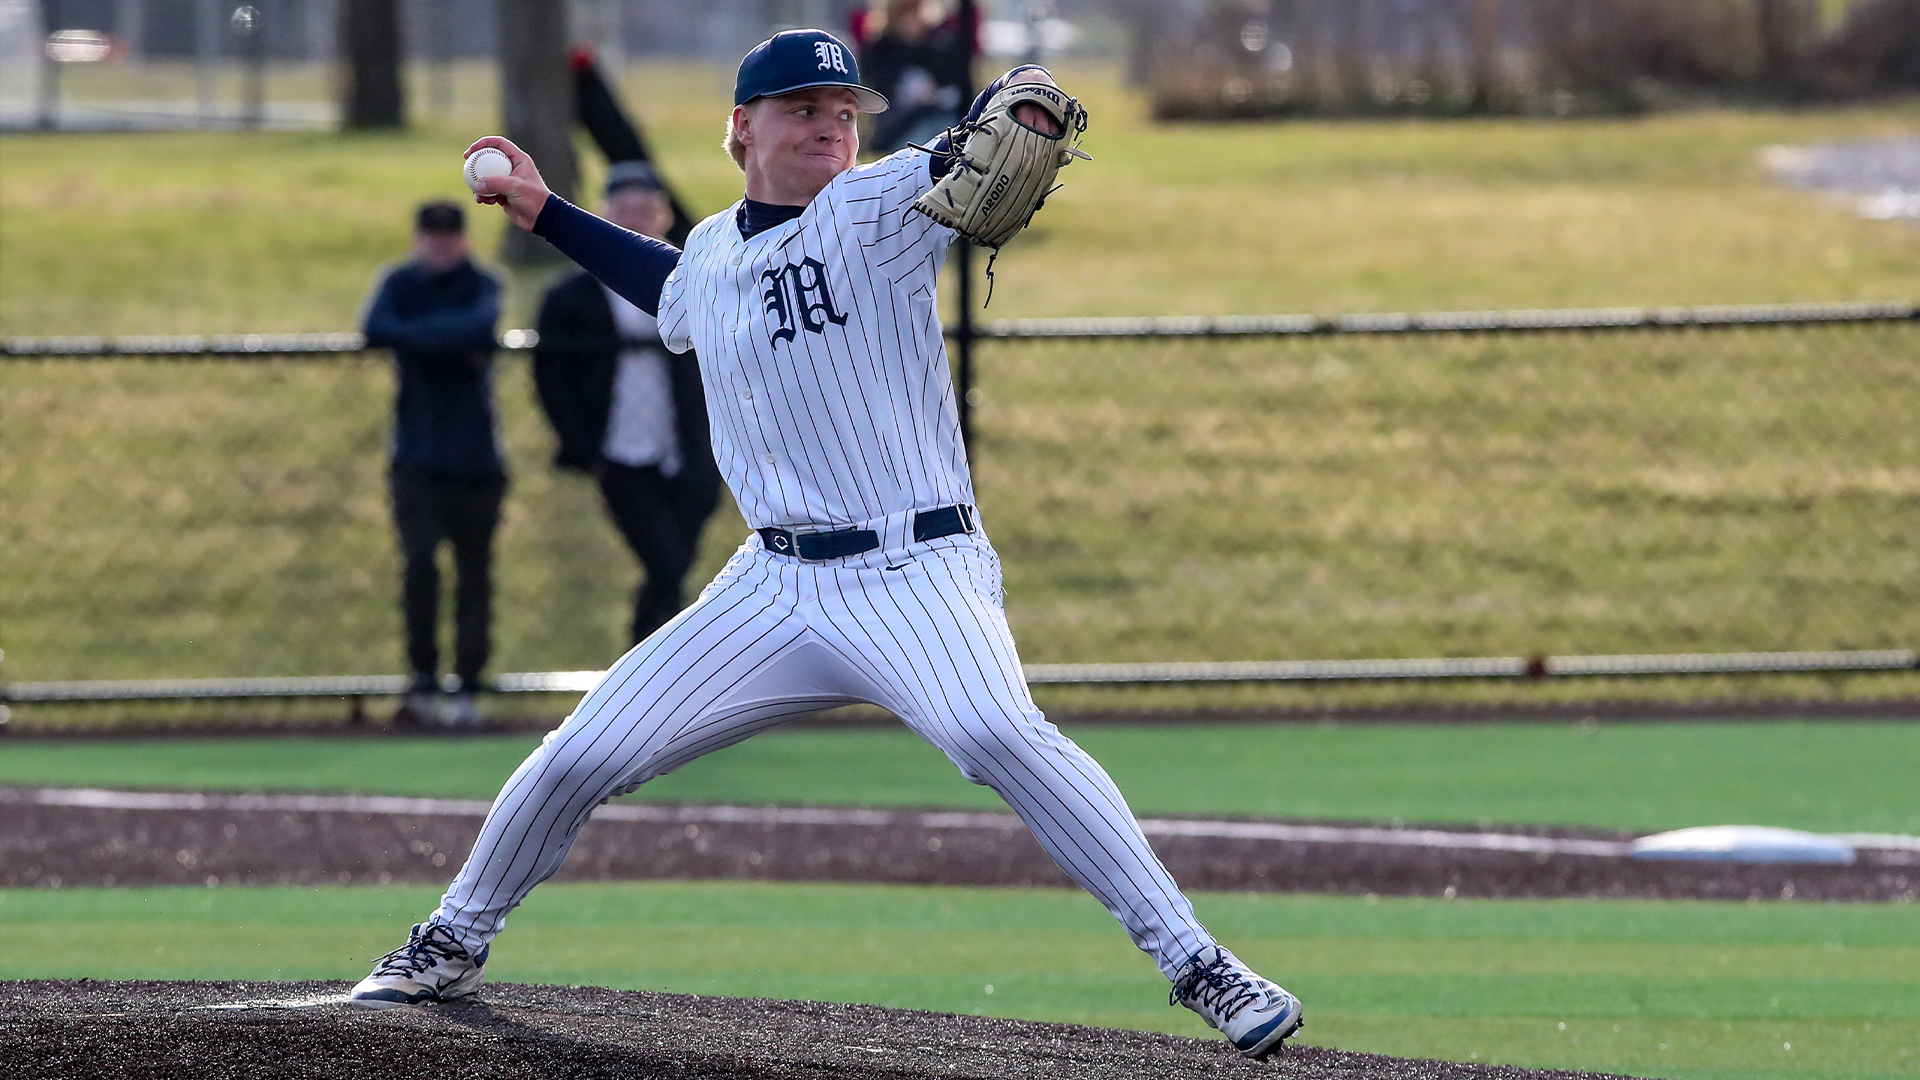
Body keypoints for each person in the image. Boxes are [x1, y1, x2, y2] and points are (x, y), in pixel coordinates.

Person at [349, 30, 1304, 1059]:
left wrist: (1015, 103)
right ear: (741, 127)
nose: (830, 127)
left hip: (915, 568)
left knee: (997, 736)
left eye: (844, 111)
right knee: (580, 752)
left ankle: (1197, 960)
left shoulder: (878, 207)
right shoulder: (712, 251)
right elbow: (668, 289)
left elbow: (957, 153)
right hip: (773, 586)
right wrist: (542, 211)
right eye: (803, 109)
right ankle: (450, 937)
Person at [532, 161, 723, 646]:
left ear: (662, 217)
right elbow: (552, 378)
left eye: (646, 210)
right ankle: (652, 669)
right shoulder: (570, 297)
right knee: (664, 563)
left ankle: (649, 669)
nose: (636, 219)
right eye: (624, 209)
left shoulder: (693, 281)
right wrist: (580, 445)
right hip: (619, 451)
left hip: (690, 449)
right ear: (602, 214)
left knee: (674, 568)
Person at [360, 201, 507, 728]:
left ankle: (466, 685)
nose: (441, 245)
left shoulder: (484, 283)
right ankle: (422, 680)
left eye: (450, 236)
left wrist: (418, 337)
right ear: (418, 238)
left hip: (477, 459)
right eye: (432, 236)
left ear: (462, 239)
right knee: (419, 569)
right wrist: (447, 342)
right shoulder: (400, 282)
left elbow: (477, 324)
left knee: (475, 574)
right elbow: (375, 327)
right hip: (416, 458)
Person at [858, 0, 971, 153]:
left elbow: (961, 71)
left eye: (918, 10)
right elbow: (880, 89)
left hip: (940, 122)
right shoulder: (880, 49)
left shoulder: (937, 44)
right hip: (899, 132)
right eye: (907, 12)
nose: (914, 18)